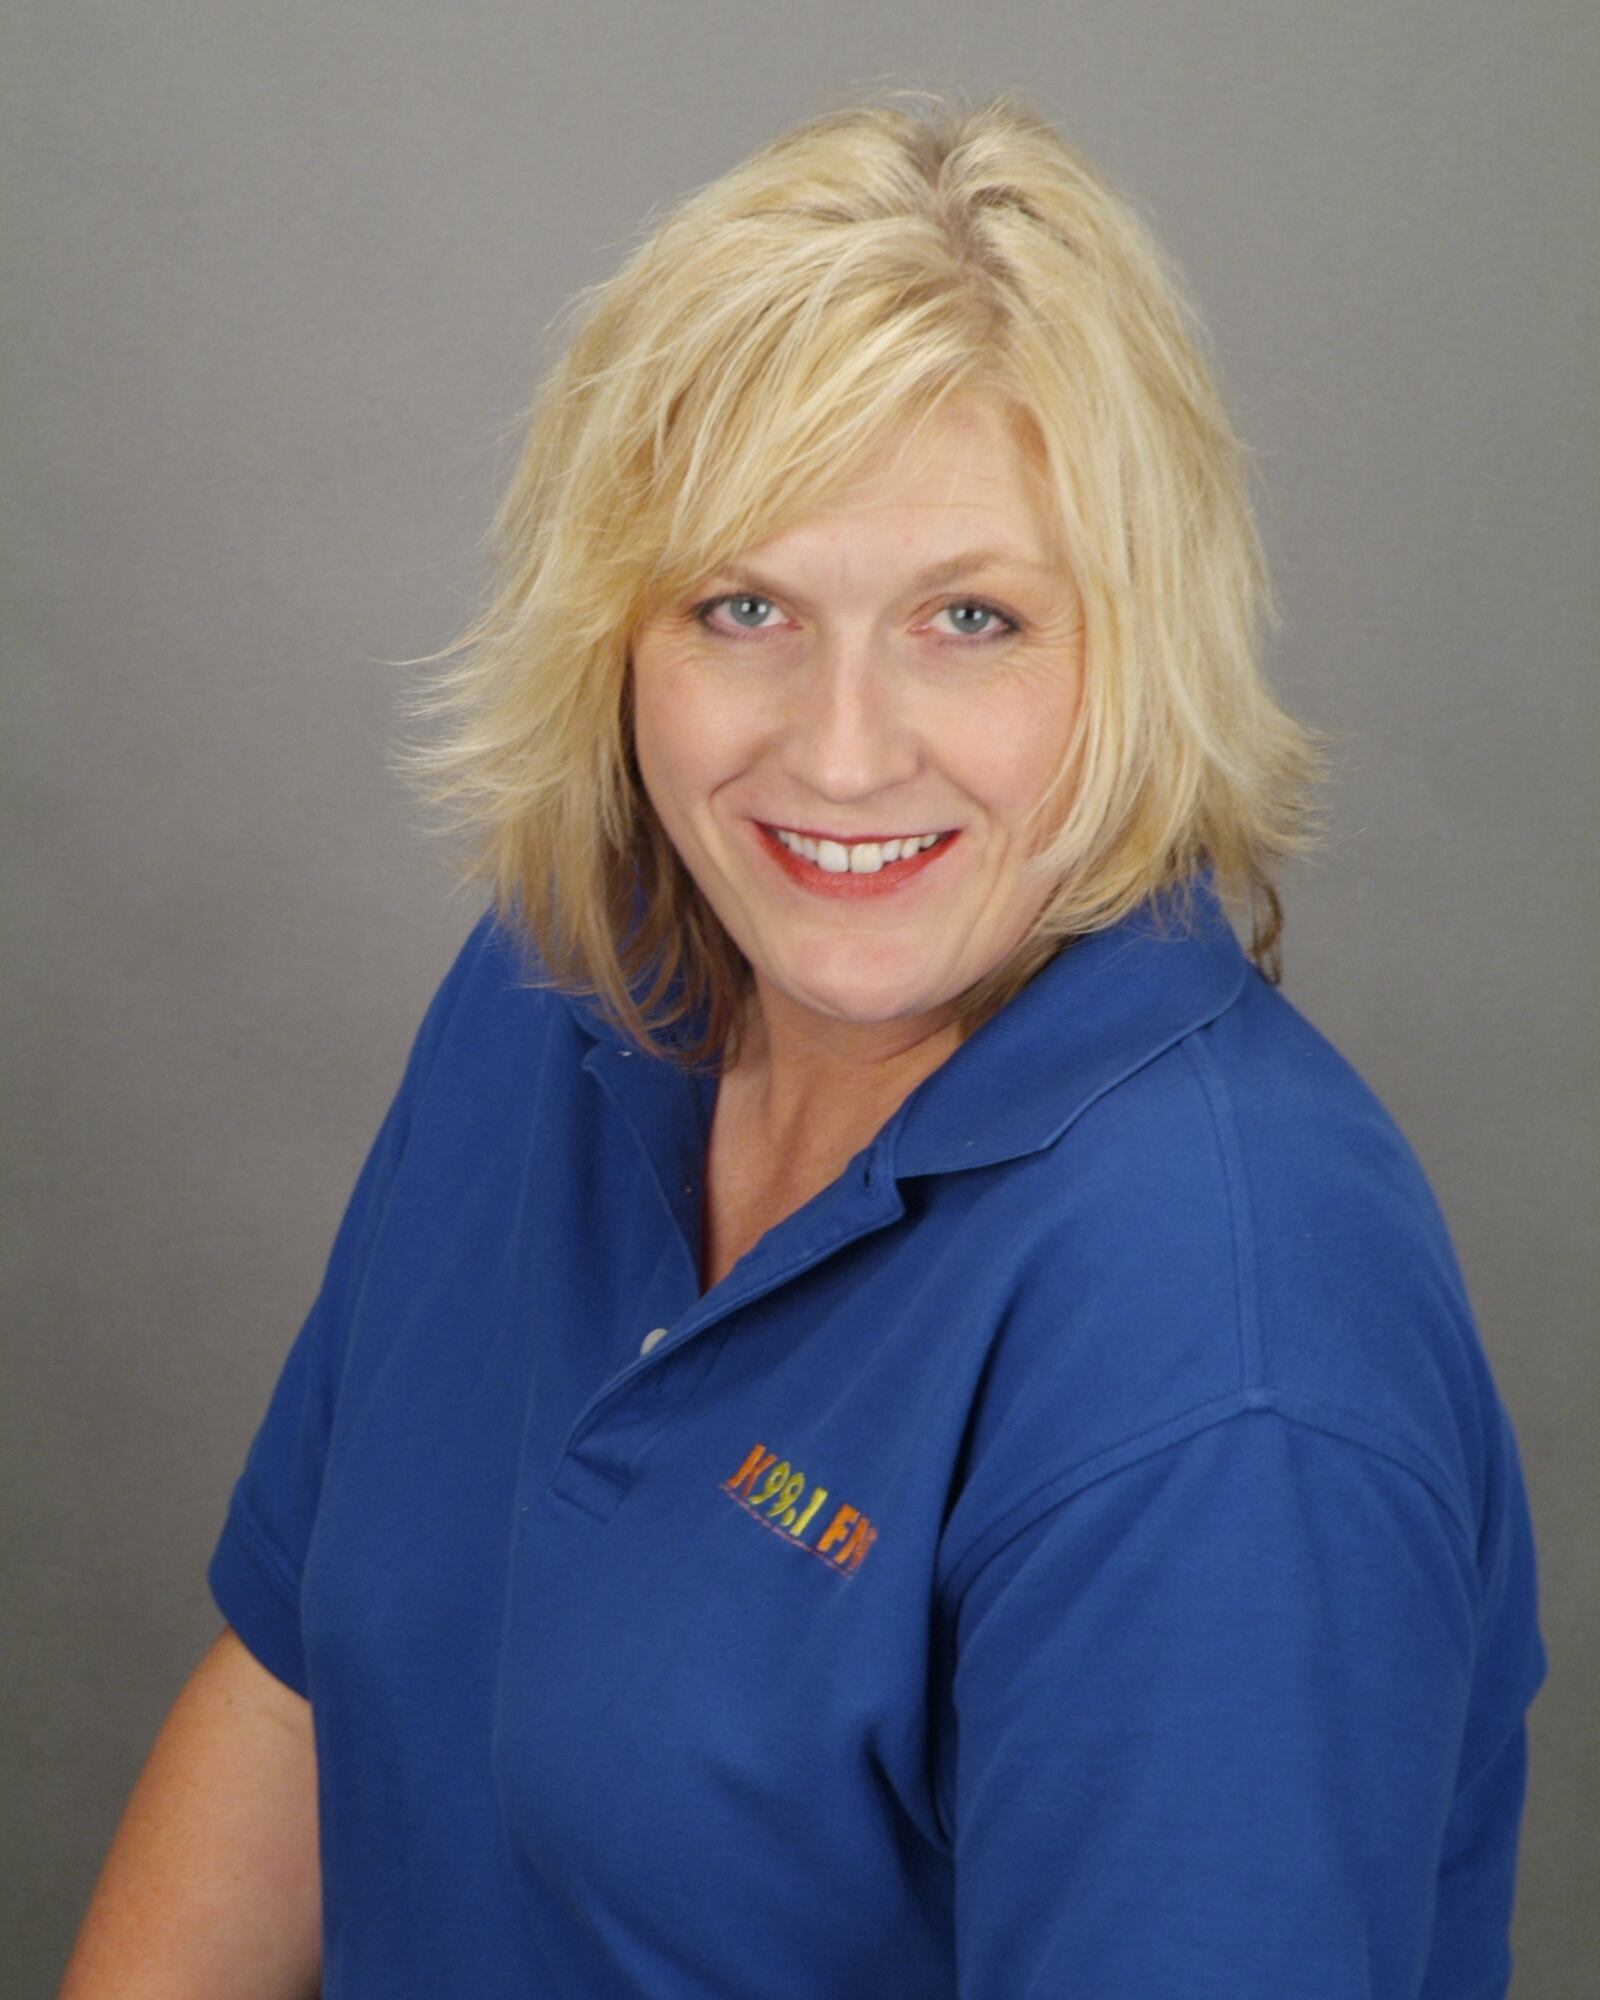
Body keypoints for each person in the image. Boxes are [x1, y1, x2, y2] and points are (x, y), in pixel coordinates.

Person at [60, 87, 1545, 1999]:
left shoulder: (1228, 1349)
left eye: (972, 618)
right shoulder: (556, 985)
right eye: (742, 605)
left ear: (1140, 650)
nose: (841, 755)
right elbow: (296, 1695)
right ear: (614, 637)